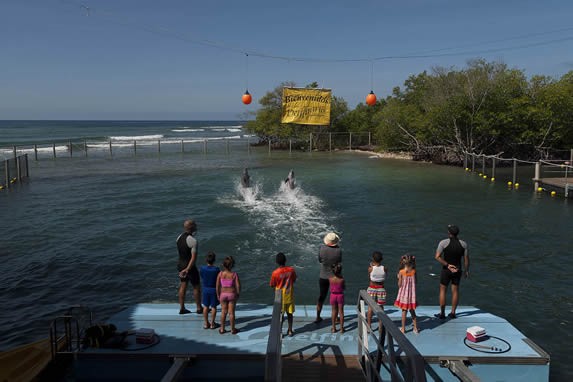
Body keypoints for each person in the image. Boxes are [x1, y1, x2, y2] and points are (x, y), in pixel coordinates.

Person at [434, 224, 470, 319]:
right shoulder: (464, 244)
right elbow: (466, 259)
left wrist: (447, 265)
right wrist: (466, 270)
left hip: (446, 270)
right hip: (457, 270)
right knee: (455, 291)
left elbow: (437, 257)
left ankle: (442, 314)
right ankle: (453, 313)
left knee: (442, 291)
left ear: (449, 233)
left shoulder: (443, 243)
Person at [315, 232, 342, 323]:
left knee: (321, 296)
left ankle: (318, 316)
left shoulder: (321, 248)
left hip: (323, 276)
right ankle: (336, 317)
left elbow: (320, 260)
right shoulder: (338, 250)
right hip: (334, 277)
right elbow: (338, 262)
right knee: (335, 296)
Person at [177, 219, 202, 315]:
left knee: (183, 285)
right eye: (195, 225)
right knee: (196, 286)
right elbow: (193, 258)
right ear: (192, 227)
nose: (196, 226)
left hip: (180, 264)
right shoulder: (193, 241)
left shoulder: (179, 237)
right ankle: (199, 308)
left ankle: (182, 308)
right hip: (189, 266)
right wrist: (188, 269)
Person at [269, 252, 297, 336]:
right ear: (285, 260)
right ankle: (290, 330)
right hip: (289, 295)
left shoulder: (275, 273)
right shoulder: (291, 270)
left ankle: (280, 332)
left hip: (279, 296)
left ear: (277, 262)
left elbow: (272, 284)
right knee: (290, 314)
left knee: (280, 316)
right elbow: (294, 279)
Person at [394, 254, 419, 334]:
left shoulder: (401, 272)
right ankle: (415, 328)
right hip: (411, 295)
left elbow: (399, 284)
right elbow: (416, 282)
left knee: (404, 311)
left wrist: (398, 278)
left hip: (404, 295)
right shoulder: (414, 272)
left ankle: (403, 329)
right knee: (412, 311)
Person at [216, 256, 241, 334]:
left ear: (223, 265)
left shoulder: (220, 274)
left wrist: (218, 294)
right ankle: (232, 329)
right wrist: (238, 293)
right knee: (231, 313)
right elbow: (238, 286)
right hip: (231, 294)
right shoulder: (234, 275)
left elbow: (217, 286)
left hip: (223, 295)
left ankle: (222, 329)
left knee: (223, 312)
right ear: (232, 265)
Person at [200, 251, 220, 329]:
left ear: (206, 260)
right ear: (214, 260)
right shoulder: (216, 269)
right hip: (214, 290)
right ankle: (212, 323)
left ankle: (206, 323)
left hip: (205, 289)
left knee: (205, 306)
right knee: (213, 307)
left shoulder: (202, 268)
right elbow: (218, 279)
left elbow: (202, 276)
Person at [367, 251, 387, 328]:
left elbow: (369, 277)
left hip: (372, 288)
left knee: (370, 307)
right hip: (381, 289)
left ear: (373, 259)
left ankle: (369, 326)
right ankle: (380, 326)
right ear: (381, 259)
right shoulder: (385, 268)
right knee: (381, 307)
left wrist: (371, 266)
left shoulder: (370, 268)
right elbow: (384, 277)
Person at [329, 263, 345, 333]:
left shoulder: (330, 279)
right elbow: (344, 288)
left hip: (333, 296)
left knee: (333, 311)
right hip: (340, 296)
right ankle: (341, 328)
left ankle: (333, 328)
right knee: (341, 312)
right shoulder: (342, 280)